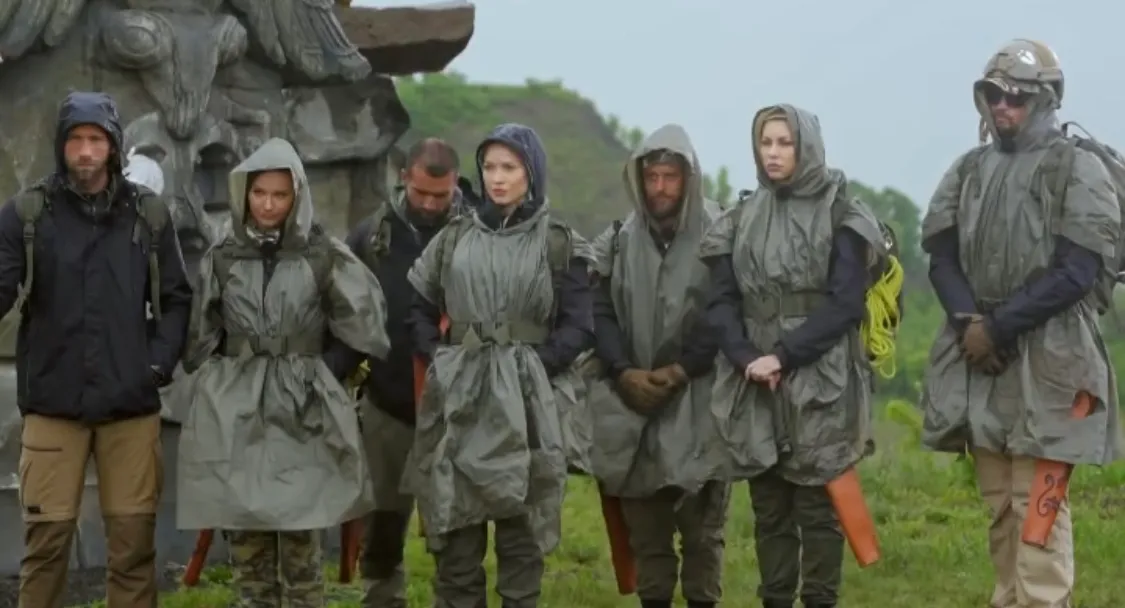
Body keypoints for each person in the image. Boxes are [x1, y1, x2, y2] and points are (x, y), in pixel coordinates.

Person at [920, 39, 1122, 608]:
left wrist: (998, 328)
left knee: (1039, 515)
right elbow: (940, 255)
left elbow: (1077, 271)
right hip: (981, 358)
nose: (1002, 106)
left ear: (1045, 98)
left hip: (1055, 361)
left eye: (1015, 96)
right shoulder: (970, 169)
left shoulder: (1076, 167)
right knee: (1001, 509)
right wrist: (970, 324)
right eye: (993, 95)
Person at [176, 137, 391, 608]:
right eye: (259, 193)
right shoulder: (224, 255)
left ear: (297, 196)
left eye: (280, 194)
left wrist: (328, 371)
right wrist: (216, 375)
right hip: (238, 404)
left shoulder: (322, 254)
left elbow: (361, 323)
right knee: (247, 537)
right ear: (244, 192)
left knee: (299, 540)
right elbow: (201, 330)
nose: (268, 205)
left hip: (303, 405)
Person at [0, 91, 192, 608]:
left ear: (113, 146)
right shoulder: (26, 214)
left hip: (130, 406)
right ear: (61, 145)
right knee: (46, 545)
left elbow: (176, 299)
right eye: (76, 140)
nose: (85, 151)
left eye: (96, 140)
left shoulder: (148, 215)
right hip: (52, 405)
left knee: (133, 548)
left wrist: (157, 365)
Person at [700, 104, 889, 608]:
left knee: (817, 504)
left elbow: (845, 303)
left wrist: (785, 355)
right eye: (766, 143)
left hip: (822, 374)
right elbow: (720, 300)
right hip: (754, 375)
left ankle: (820, 600)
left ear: (806, 146)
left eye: (785, 143)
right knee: (770, 505)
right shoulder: (742, 217)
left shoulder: (841, 212)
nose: (774, 153)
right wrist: (745, 356)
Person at [403, 123, 594, 607]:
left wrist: (533, 366)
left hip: (528, 407)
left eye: (509, 167)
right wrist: (441, 357)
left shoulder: (557, 242)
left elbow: (579, 324)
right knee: (456, 536)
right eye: (489, 167)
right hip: (461, 401)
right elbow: (418, 308)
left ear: (532, 173)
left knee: (521, 536)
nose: (497, 178)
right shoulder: (453, 238)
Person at [588, 124, 728, 608]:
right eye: (652, 177)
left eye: (670, 177)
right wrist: (622, 371)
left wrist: (684, 369)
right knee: (647, 537)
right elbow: (599, 310)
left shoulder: (719, 234)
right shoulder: (618, 239)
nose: (660, 188)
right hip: (634, 406)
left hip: (700, 403)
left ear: (688, 179)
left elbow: (725, 309)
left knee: (702, 535)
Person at [334, 137, 470, 608]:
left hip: (458, 407)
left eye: (441, 195)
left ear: (455, 185)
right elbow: (344, 312)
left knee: (455, 523)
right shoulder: (371, 237)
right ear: (404, 178)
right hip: (388, 402)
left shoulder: (477, 235)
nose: (430, 204)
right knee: (383, 520)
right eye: (421, 193)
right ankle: (382, 597)